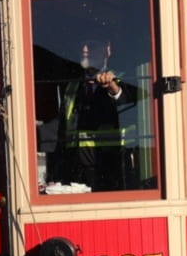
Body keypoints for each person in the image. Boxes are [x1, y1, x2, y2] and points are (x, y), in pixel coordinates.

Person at [56, 40, 133, 191]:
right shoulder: (72, 85)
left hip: (111, 168)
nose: (85, 49)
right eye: (82, 45)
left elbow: (125, 102)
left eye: (91, 45)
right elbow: (63, 130)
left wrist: (112, 86)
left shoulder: (122, 79)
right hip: (76, 171)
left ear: (108, 50)